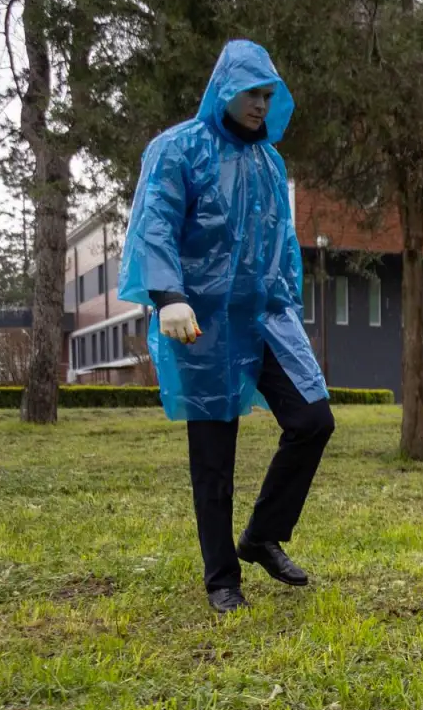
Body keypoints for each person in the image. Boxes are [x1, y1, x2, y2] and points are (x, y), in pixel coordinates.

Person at [119, 39, 334, 615]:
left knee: (313, 418)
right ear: (224, 90)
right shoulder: (177, 150)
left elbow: (281, 239)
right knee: (214, 452)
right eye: (251, 93)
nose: (261, 104)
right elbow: (154, 225)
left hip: (264, 316)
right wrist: (168, 296)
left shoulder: (270, 161)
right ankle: (222, 579)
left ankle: (261, 535)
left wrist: (286, 299)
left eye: (268, 94)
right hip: (202, 322)